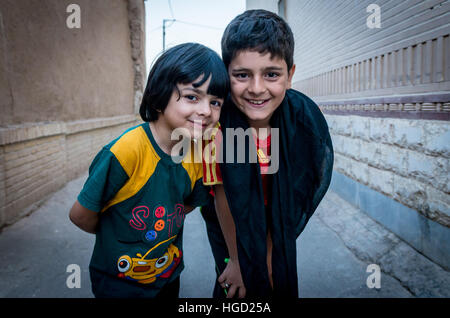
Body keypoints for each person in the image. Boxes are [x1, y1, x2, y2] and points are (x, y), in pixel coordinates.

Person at [69, 42, 229, 298]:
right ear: (159, 95)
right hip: (118, 283)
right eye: (192, 97)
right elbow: (80, 215)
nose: (205, 111)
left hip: (168, 277)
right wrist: (120, 234)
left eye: (216, 102)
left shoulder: (197, 155)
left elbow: (186, 205)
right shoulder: (125, 151)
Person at [201, 10, 334, 298]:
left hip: (277, 221)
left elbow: (295, 194)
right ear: (226, 74)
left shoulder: (301, 125)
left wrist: (271, 253)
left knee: (274, 279)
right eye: (242, 75)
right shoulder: (219, 128)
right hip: (230, 230)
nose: (257, 89)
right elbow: (224, 198)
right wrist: (237, 260)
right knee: (235, 285)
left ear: (290, 76)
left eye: (271, 74)